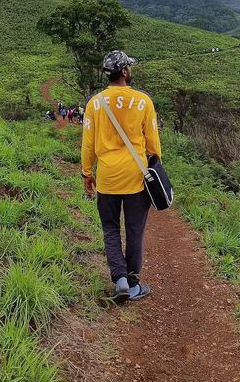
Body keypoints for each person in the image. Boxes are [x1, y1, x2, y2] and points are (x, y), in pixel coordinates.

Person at [81, 50, 161, 303]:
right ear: (125, 72)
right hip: (136, 178)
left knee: (111, 228)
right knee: (135, 230)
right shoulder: (143, 101)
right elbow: (153, 144)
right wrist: (155, 166)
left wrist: (86, 173)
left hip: (107, 178)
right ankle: (134, 284)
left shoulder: (95, 103)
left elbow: (88, 144)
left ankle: (120, 279)